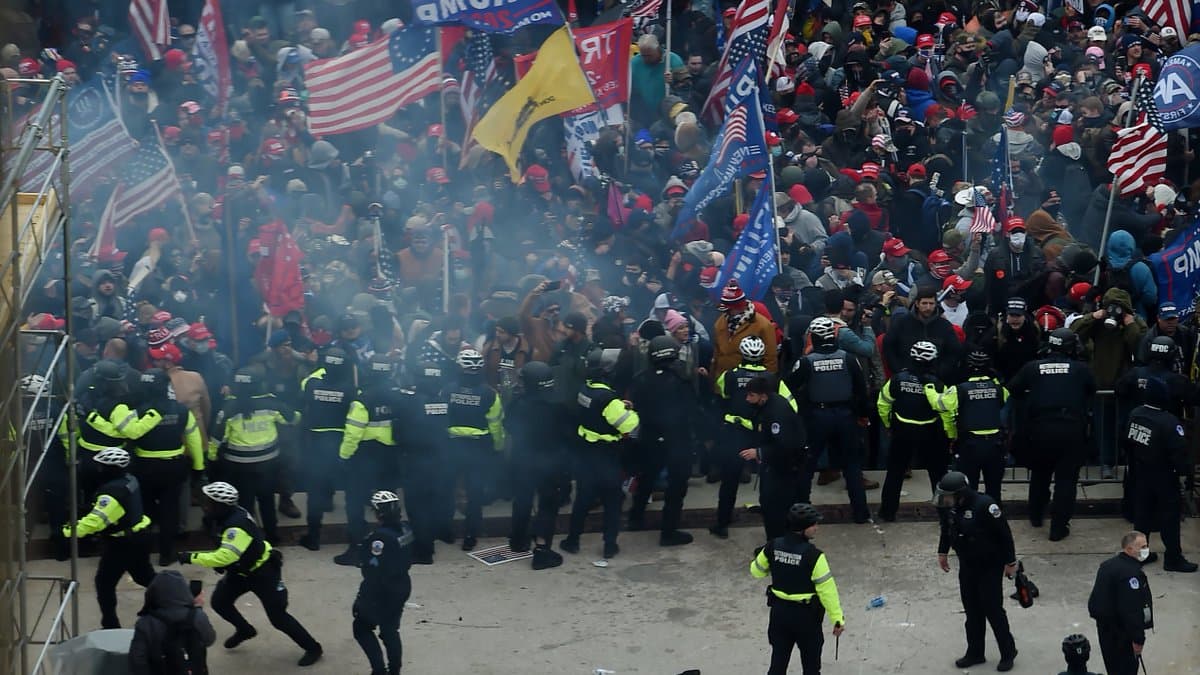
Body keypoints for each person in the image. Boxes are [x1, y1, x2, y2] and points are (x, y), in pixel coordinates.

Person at [178, 482, 323, 667]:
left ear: (221, 505)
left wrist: (191, 557)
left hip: (264, 573)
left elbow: (225, 555)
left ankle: (313, 648)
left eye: (209, 503)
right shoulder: (220, 517)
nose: (204, 506)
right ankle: (245, 629)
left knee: (278, 617)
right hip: (240, 572)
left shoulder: (236, 526)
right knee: (220, 602)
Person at [1007, 328, 1096, 541]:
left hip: (1040, 428)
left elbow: (1013, 388)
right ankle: (1058, 527)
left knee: (1040, 474)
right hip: (1071, 429)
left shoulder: (1033, 368)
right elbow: (1092, 389)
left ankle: (1036, 516)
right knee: (1066, 481)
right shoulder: (1080, 369)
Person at [788, 317, 871, 523]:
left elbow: (787, 386)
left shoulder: (806, 361)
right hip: (845, 416)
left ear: (813, 337)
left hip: (816, 417)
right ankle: (861, 513)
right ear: (834, 335)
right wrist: (863, 415)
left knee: (807, 465)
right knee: (852, 466)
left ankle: (801, 513)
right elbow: (862, 390)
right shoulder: (849, 358)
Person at [934, 471, 1019, 672]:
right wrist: (942, 552)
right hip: (967, 565)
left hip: (989, 566)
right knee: (972, 611)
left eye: (948, 496)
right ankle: (975, 652)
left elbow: (1005, 535)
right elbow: (947, 530)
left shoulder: (986, 505)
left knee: (993, 609)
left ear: (961, 494)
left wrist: (1010, 562)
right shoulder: (951, 508)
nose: (945, 500)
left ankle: (1008, 651)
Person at [711, 336, 795, 538]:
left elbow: (720, 396)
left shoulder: (729, 376)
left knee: (729, 480)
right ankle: (776, 525)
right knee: (769, 481)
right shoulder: (773, 379)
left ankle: (722, 523)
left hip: (735, 434)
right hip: (762, 436)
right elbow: (791, 406)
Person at [62, 448, 156, 629]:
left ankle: (110, 623)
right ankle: (171, 600)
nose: (98, 469)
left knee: (104, 583)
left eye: (101, 466)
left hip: (123, 544)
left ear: (110, 469)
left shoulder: (111, 493)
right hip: (140, 535)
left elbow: (96, 522)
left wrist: (66, 532)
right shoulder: (130, 480)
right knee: (145, 576)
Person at [749, 503, 844, 675]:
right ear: (802, 529)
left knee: (778, 663)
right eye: (813, 524)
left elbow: (756, 572)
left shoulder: (772, 546)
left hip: (779, 614)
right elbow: (827, 591)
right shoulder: (814, 556)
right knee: (811, 667)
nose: (817, 527)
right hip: (806, 618)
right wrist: (837, 619)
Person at [563, 348, 640, 559]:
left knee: (582, 500)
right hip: (606, 457)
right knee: (612, 502)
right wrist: (629, 411)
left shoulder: (584, 389)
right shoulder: (608, 398)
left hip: (586, 454)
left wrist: (617, 406)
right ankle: (609, 545)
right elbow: (630, 427)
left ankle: (572, 540)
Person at [208, 369, 299, 542]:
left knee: (245, 504)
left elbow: (217, 438)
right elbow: (293, 418)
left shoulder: (229, 408)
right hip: (268, 464)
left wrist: (211, 458)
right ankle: (272, 537)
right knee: (267, 501)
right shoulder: (271, 403)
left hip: (239, 466)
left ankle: (248, 540)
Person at [129, 368, 205, 567]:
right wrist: (198, 467)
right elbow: (194, 440)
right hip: (173, 467)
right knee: (170, 511)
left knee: (144, 511)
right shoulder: (181, 410)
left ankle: (141, 554)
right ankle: (166, 554)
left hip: (144, 466)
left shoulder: (137, 410)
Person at [1122, 379, 1198, 572]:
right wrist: (1185, 474)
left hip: (1141, 474)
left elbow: (1127, 443)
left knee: (1142, 517)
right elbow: (1180, 454)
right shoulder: (1169, 422)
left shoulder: (1135, 414)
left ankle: (1138, 555)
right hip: (1164, 477)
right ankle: (1173, 558)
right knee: (1170, 519)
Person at [335, 355, 406, 564]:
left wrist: (344, 456)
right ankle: (393, 545)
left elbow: (353, 434)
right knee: (389, 502)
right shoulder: (399, 396)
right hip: (391, 455)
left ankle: (357, 548)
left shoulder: (362, 400)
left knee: (355, 502)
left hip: (365, 456)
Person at [627, 335, 697, 546]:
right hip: (676, 439)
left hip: (649, 437)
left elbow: (636, 405)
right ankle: (668, 533)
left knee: (646, 479)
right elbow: (690, 410)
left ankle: (635, 518)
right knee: (676, 487)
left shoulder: (640, 378)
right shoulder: (681, 380)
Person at [876, 341, 956, 521]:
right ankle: (945, 515)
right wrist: (951, 436)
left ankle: (887, 513)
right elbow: (946, 412)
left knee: (895, 473)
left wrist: (888, 424)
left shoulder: (897, 379)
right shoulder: (937, 384)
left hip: (902, 432)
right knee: (938, 475)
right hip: (931, 434)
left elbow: (883, 403)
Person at [504, 361, 567, 569]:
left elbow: (509, 426)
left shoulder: (518, 403)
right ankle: (541, 550)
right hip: (549, 463)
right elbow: (567, 433)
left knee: (522, 500)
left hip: (522, 460)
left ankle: (517, 540)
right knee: (547, 506)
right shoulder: (558, 405)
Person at [445, 348, 505, 551]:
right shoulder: (490, 394)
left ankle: (446, 531)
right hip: (478, 448)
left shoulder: (447, 390)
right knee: (474, 492)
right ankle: (471, 536)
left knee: (448, 488)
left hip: (452, 446)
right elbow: (495, 425)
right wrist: (498, 447)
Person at [298, 347, 357, 551]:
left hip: (316, 441)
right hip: (340, 441)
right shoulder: (350, 389)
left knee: (314, 493)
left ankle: (313, 537)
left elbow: (304, 388)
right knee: (351, 492)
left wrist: (318, 366)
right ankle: (353, 538)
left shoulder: (312, 384)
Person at [351, 491, 414, 675]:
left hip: (380, 591)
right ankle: (394, 671)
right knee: (390, 631)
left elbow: (372, 568)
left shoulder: (379, 538)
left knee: (361, 628)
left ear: (378, 512)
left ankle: (379, 670)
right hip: (401, 585)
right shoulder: (406, 528)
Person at [739, 376, 806, 540]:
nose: (747, 399)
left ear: (763, 396)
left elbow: (785, 445)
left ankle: (777, 544)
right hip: (774, 467)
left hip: (785, 468)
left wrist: (759, 453)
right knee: (769, 503)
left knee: (775, 507)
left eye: (751, 395)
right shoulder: (766, 406)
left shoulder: (777, 412)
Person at [1087, 531, 1155, 675]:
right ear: (1129, 549)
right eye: (1142, 547)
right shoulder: (1131, 575)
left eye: (1146, 545)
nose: (1145, 549)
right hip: (1122, 635)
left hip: (1106, 630)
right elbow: (1132, 610)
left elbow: (1096, 600)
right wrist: (1138, 639)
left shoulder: (1107, 565)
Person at [129, 570, 216, 675]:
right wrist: (198, 608)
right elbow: (209, 639)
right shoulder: (197, 616)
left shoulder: (145, 623)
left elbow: (138, 659)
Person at [951, 349, 1009, 503]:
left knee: (969, 488)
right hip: (995, 445)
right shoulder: (998, 389)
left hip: (970, 445)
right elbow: (1003, 400)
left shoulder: (960, 389)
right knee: (994, 488)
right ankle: (994, 517)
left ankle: (971, 519)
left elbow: (941, 404)